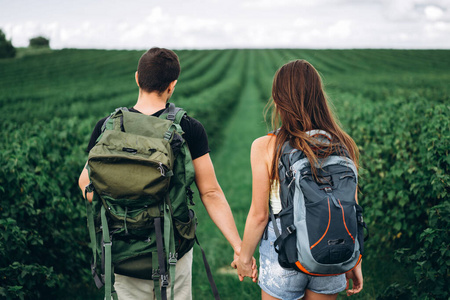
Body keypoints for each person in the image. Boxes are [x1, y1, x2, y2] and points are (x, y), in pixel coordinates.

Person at [78, 47, 254, 299]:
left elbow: (86, 185)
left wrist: (127, 205)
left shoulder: (107, 126)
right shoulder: (188, 128)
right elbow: (211, 192)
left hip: (120, 249)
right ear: (172, 85)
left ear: (137, 78)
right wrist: (239, 248)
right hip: (172, 253)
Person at [231, 60, 363, 300]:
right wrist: (355, 261)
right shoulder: (342, 144)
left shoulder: (266, 146)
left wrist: (244, 259)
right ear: (319, 96)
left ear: (278, 99)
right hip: (330, 250)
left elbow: (260, 215)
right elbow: (350, 209)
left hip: (284, 251)